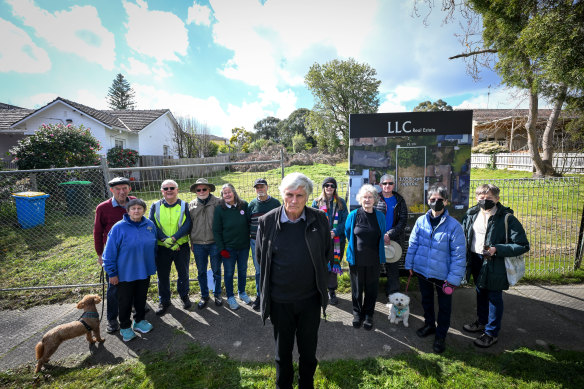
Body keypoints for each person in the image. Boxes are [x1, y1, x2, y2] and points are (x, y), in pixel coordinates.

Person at [256, 172, 332, 389]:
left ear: (307, 196)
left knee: (308, 353)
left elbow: (325, 253)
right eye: (289, 194)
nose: (294, 200)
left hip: (309, 300)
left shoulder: (319, 219)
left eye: (300, 195)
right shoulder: (267, 221)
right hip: (280, 302)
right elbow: (262, 258)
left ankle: (306, 385)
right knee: (282, 353)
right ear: (282, 194)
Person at [462, 184, 529, 348]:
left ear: (497, 199)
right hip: (476, 259)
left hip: (495, 262)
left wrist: (497, 249)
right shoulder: (472, 214)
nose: (485, 201)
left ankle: (491, 333)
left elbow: (522, 244)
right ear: (477, 198)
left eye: (489, 198)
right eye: (481, 198)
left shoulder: (506, 218)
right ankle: (482, 321)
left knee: (494, 297)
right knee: (480, 292)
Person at [405, 184, 466, 354]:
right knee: (426, 300)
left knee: (445, 306)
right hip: (423, 270)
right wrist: (410, 264)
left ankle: (441, 335)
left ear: (446, 202)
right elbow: (413, 244)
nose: (436, 202)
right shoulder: (420, 221)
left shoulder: (454, 226)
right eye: (433, 199)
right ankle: (429, 325)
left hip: (444, 275)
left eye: (440, 200)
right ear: (428, 200)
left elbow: (459, 255)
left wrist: (454, 278)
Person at [102, 198, 157, 342]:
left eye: (139, 208)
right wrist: (112, 273)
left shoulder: (149, 225)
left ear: (144, 210)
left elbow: (154, 245)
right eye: (133, 209)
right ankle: (125, 326)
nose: (136, 211)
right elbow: (109, 253)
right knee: (124, 301)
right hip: (124, 273)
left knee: (141, 298)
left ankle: (139, 321)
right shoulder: (118, 228)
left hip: (143, 270)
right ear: (128, 211)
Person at [93, 176, 136, 334]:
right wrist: (99, 254)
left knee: (133, 281)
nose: (121, 192)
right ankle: (112, 318)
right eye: (117, 189)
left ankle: (134, 307)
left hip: (133, 253)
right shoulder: (103, 208)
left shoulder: (134, 203)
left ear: (129, 189)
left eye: (124, 188)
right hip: (114, 254)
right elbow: (97, 232)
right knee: (113, 287)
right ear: (112, 190)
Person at [344, 184, 387, 330]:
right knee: (356, 289)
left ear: (375, 199)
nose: (367, 200)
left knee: (371, 289)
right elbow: (348, 232)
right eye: (364, 197)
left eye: (370, 197)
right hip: (356, 260)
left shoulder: (380, 216)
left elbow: (382, 233)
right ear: (360, 199)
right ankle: (357, 313)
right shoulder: (353, 215)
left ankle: (369, 315)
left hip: (374, 260)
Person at [149, 179, 193, 315]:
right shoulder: (155, 206)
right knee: (162, 275)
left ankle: (184, 296)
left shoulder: (184, 205)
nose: (169, 190)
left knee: (183, 273)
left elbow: (188, 224)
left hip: (181, 246)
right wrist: (164, 239)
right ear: (162, 191)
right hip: (162, 247)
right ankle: (164, 301)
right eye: (166, 188)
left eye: (172, 188)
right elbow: (152, 224)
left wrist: (174, 240)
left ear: (177, 190)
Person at [212, 183, 251, 310]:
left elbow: (249, 222)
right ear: (222, 196)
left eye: (229, 192)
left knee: (242, 270)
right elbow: (216, 231)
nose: (227, 195)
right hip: (228, 249)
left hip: (244, 246)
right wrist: (222, 249)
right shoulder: (219, 209)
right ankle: (230, 297)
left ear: (234, 193)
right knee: (229, 273)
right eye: (224, 193)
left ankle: (242, 292)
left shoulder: (243, 205)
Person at [311, 177, 348, 306]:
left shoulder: (341, 203)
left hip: (337, 240)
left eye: (332, 185)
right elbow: (313, 221)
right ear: (323, 187)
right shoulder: (316, 203)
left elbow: (345, 222)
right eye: (327, 185)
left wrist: (335, 232)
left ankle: (331, 291)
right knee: (321, 265)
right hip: (321, 241)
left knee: (333, 265)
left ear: (335, 188)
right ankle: (321, 290)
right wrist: (324, 233)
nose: (329, 187)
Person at [188, 178, 223, 309]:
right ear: (195, 191)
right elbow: (189, 225)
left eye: (204, 189)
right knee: (201, 271)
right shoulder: (191, 205)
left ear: (209, 189)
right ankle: (204, 295)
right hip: (197, 244)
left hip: (214, 243)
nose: (201, 191)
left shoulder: (218, 203)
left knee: (216, 271)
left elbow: (223, 222)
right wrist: (191, 241)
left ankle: (218, 294)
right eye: (199, 190)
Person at [248, 178, 281, 311]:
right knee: (259, 270)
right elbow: (247, 223)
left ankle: (274, 296)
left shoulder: (275, 203)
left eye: (262, 187)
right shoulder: (251, 205)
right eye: (257, 187)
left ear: (267, 187)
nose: (260, 189)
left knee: (274, 268)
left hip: (272, 241)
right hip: (255, 242)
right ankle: (260, 296)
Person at [375, 174, 408, 298]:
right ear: (380, 185)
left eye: (390, 183)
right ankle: (372, 294)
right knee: (375, 268)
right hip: (377, 239)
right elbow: (370, 219)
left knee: (393, 269)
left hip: (394, 239)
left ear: (393, 185)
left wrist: (389, 234)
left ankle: (393, 294)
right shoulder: (375, 198)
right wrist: (381, 235)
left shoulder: (400, 200)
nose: (387, 186)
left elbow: (403, 220)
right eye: (384, 183)